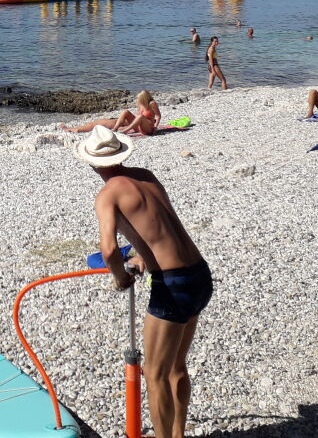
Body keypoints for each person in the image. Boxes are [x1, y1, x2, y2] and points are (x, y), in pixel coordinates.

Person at [76, 125, 210, 438]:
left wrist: (121, 277)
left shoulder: (107, 195)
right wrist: (141, 257)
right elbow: (155, 226)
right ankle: (177, 434)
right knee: (176, 366)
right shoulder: (145, 176)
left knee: (154, 373)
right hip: (199, 274)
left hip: (173, 285)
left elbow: (108, 250)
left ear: (92, 163)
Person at [63, 91, 161, 136]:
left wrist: (155, 127)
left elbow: (158, 116)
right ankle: (115, 129)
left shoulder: (152, 104)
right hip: (139, 125)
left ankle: (125, 131)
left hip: (147, 128)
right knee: (125, 112)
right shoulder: (141, 104)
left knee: (139, 116)